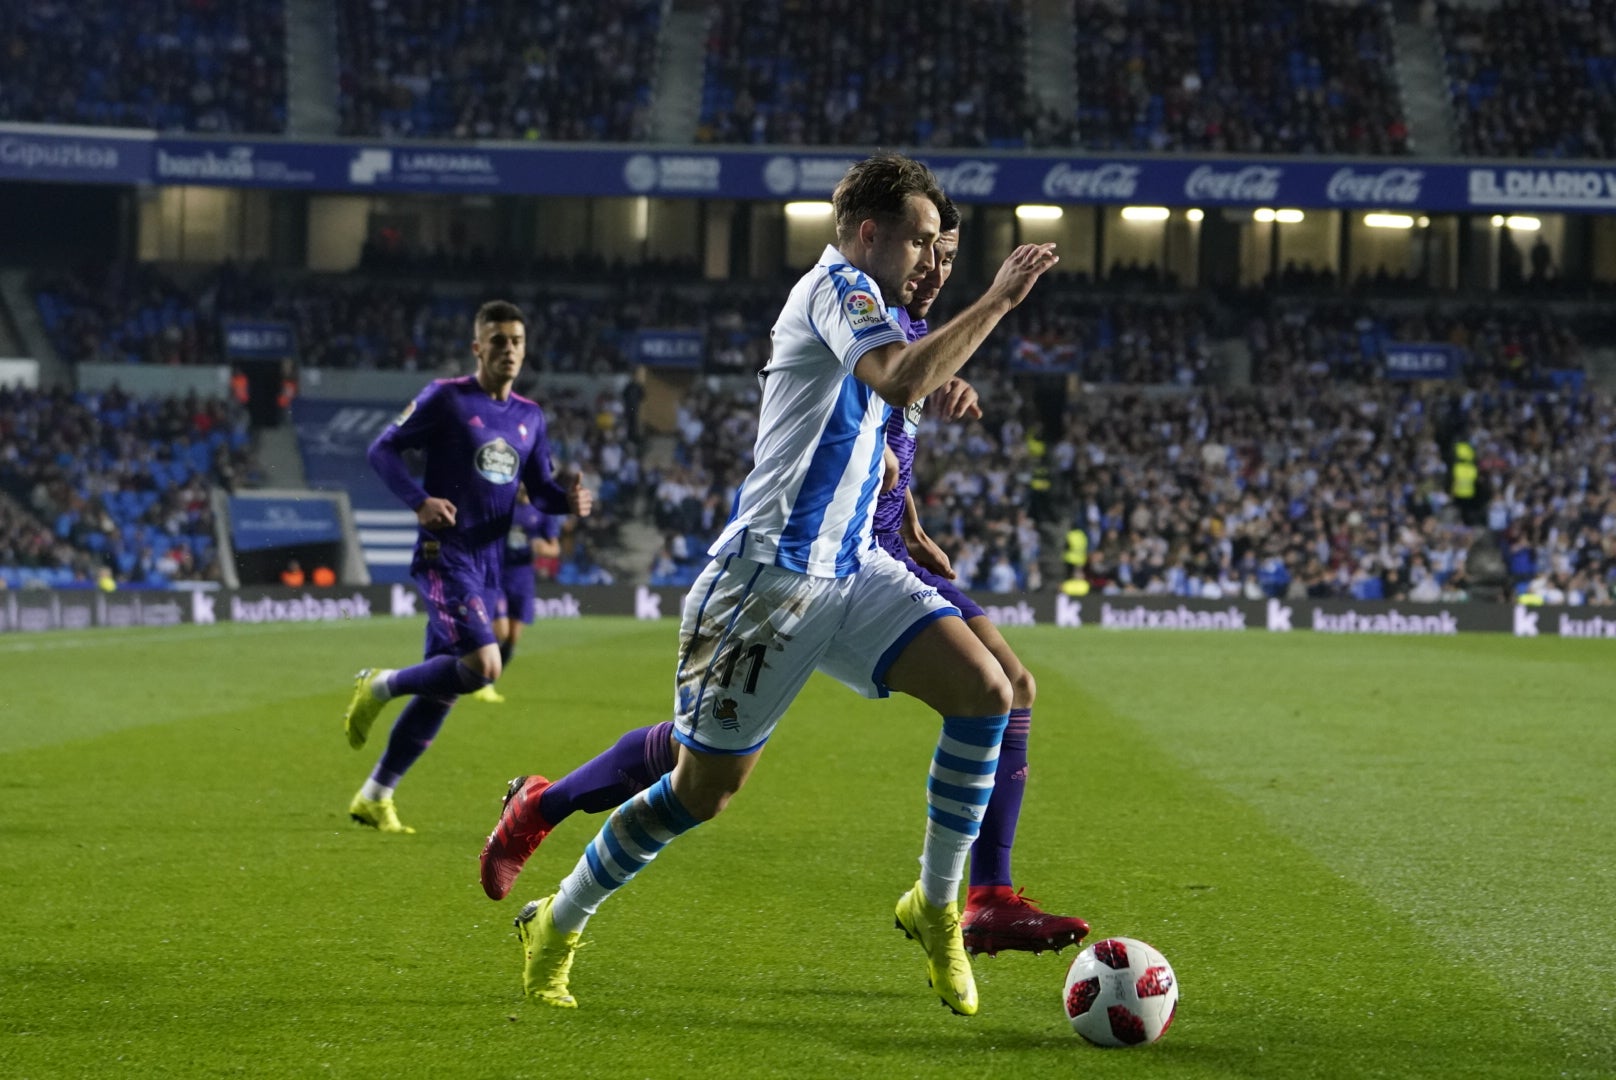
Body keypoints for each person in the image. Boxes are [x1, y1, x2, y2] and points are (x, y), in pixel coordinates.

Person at [495, 153, 1059, 1016]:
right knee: (699, 793)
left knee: (989, 694)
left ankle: (940, 907)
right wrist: (998, 300)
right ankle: (560, 919)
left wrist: (906, 525)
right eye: (917, 239)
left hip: (852, 567)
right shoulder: (836, 290)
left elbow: (875, 427)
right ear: (869, 233)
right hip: (767, 581)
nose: (926, 255)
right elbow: (898, 378)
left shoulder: (882, 309)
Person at [340, 300, 593, 833]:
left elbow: (541, 490)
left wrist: (566, 501)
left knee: (444, 690)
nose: (508, 350)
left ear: (525, 350)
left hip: (490, 562)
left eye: (516, 341)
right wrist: (418, 501)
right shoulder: (447, 399)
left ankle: (374, 795)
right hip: (445, 553)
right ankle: (378, 684)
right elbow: (382, 450)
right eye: (497, 340)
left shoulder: (530, 416)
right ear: (478, 347)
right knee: (486, 665)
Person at [471, 485, 565, 705]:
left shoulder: (541, 512)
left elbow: (555, 549)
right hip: (497, 575)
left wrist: (543, 549)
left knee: (513, 638)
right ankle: (482, 681)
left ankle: (488, 681)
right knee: (501, 632)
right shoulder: (502, 506)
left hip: (523, 579)